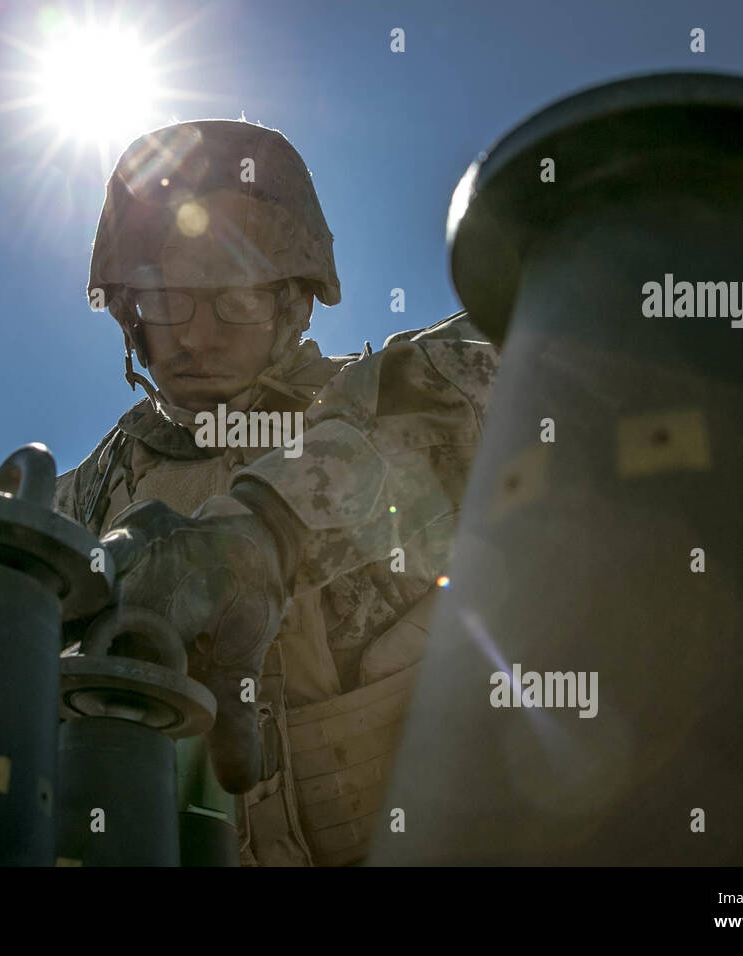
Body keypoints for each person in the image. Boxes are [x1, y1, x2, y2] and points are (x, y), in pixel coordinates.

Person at [53, 118, 499, 865]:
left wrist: (270, 523)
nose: (194, 336)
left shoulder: (390, 406)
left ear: (294, 304)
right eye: (167, 302)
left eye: (233, 299)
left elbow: (515, 353)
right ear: (132, 315)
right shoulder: (88, 498)